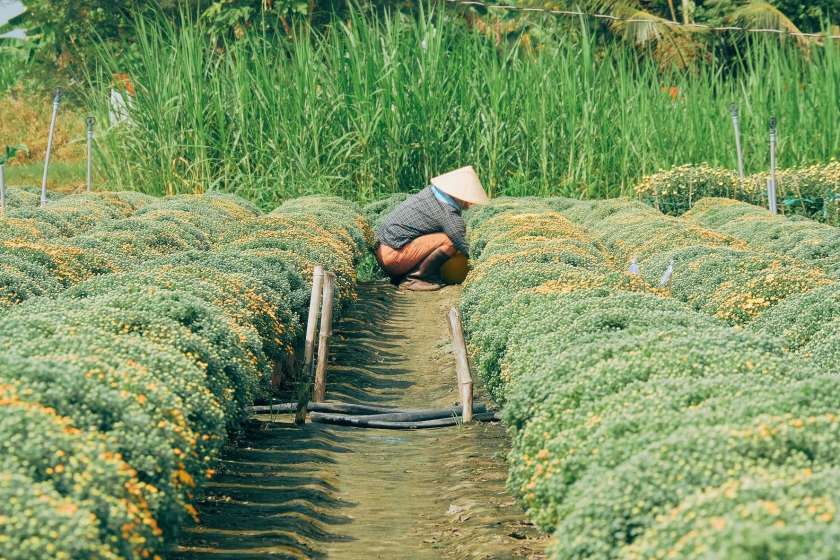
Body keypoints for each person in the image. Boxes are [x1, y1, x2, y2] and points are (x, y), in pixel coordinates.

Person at [374, 166, 490, 291]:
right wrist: (485, 264)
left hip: (383, 250)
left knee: (443, 234)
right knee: (450, 241)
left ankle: (405, 274)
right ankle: (411, 279)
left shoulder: (432, 194)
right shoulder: (447, 211)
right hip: (392, 256)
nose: (471, 205)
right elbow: (463, 243)